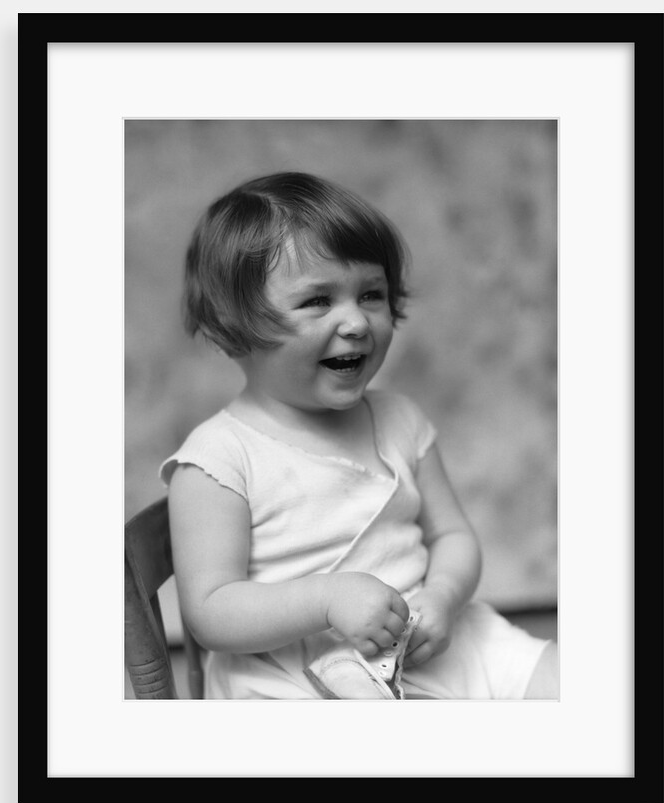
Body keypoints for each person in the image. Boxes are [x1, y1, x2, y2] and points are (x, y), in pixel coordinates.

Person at [160, 171, 558, 700]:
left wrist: (442, 595)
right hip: (294, 671)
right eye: (318, 301)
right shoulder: (220, 458)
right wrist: (326, 599)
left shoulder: (401, 419)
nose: (356, 322)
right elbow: (210, 610)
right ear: (232, 327)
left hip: (428, 637)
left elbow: (453, 537)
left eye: (371, 294)